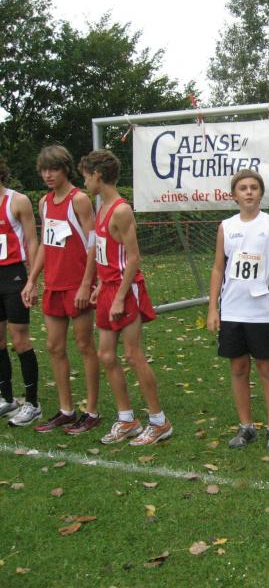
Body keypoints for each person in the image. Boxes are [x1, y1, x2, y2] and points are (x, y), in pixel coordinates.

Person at [80, 149, 172, 446]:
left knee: (133, 354)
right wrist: (100, 285)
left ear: (97, 175)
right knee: (106, 355)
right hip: (108, 288)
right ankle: (127, 419)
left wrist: (120, 297)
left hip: (125, 289)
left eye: (86, 176)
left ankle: (159, 422)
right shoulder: (101, 207)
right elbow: (105, 251)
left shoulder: (121, 209)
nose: (84, 182)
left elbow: (133, 259)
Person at [207, 169, 269, 450]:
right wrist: (213, 308)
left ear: (261, 193)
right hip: (232, 310)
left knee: (267, 367)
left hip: (262, 310)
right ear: (234, 195)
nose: (249, 192)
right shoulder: (226, 226)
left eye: (254, 187)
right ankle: (246, 427)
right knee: (238, 367)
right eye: (243, 188)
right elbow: (218, 268)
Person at [20, 145, 101, 434]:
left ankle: (92, 411)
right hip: (53, 286)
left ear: (65, 168)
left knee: (85, 346)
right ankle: (66, 410)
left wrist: (86, 283)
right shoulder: (43, 202)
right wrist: (32, 279)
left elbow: (94, 244)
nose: (48, 175)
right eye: (44, 169)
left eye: (53, 169)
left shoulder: (79, 199)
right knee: (54, 347)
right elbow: (46, 243)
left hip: (77, 286)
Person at [0, 155, 41, 427]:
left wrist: (32, 280)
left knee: (20, 341)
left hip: (14, 276)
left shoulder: (18, 201)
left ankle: (32, 403)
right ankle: (6, 398)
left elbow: (32, 240)